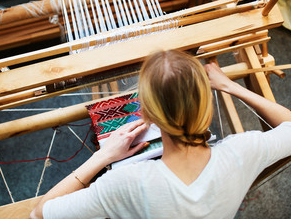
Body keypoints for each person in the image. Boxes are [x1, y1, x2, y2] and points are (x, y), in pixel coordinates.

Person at [30, 50, 291, 219]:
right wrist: (231, 86)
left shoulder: (125, 184)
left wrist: (102, 156)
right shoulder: (243, 151)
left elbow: (40, 213)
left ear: (147, 113)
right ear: (207, 103)